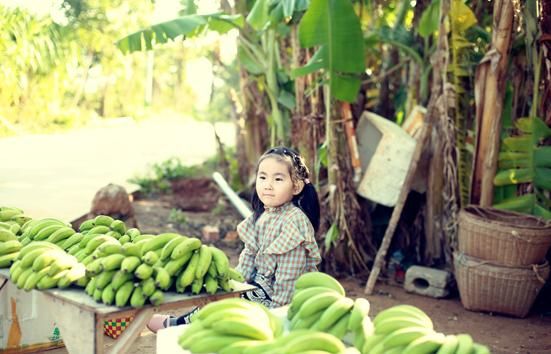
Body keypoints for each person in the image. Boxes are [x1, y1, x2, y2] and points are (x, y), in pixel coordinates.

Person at [147, 146, 322, 333]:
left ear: (296, 186)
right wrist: (232, 286)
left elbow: (288, 280)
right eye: (262, 177)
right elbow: (248, 258)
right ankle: (186, 322)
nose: (268, 185)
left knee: (230, 311)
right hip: (260, 287)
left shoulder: (293, 223)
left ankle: (183, 327)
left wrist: (275, 316)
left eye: (278, 179)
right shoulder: (264, 215)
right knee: (220, 297)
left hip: (281, 299)